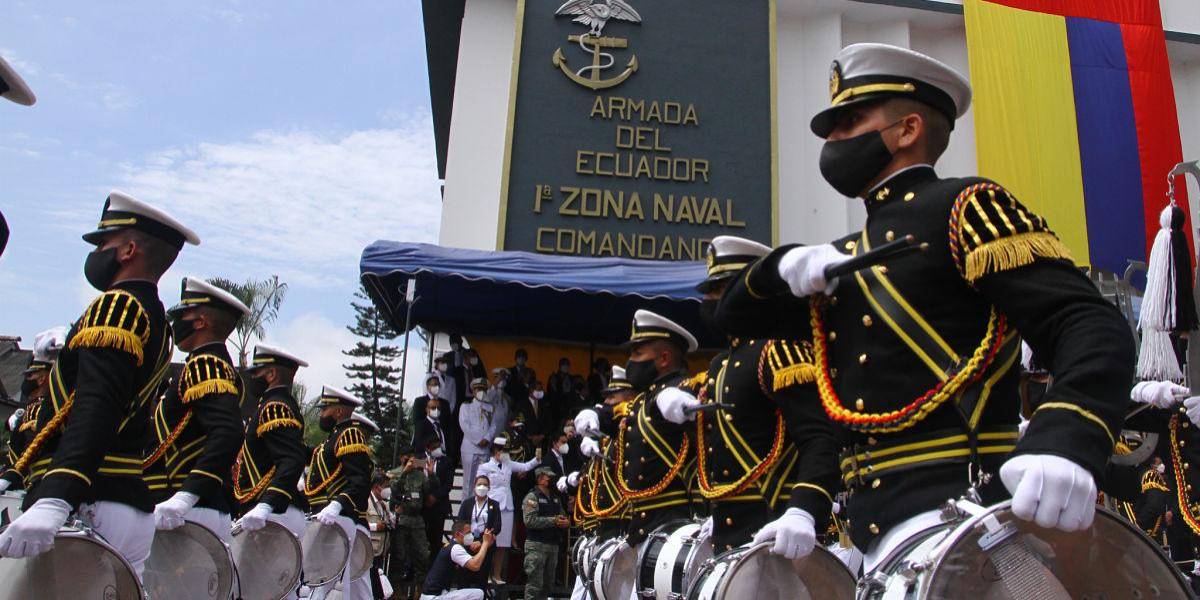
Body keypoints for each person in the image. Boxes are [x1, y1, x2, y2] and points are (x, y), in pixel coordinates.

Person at [715, 43, 1136, 573]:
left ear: (907, 130)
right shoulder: (844, 256)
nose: (832, 138)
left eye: (849, 120)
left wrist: (1069, 437)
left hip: (966, 525)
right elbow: (730, 320)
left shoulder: (967, 207)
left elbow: (1086, 322)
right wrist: (778, 268)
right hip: (869, 533)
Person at [0, 192, 196, 579]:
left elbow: (96, 402)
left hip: (90, 499)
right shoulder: (152, 314)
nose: (97, 252)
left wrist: (58, 492)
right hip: (120, 501)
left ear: (128, 250)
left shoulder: (117, 306)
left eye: (104, 243)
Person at [665, 236, 840, 555]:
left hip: (778, 529)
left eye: (723, 289)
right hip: (729, 530)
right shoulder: (720, 364)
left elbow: (819, 438)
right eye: (712, 292)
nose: (715, 299)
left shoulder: (779, 352)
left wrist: (805, 508)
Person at [574, 310, 701, 552]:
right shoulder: (643, 401)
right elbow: (613, 415)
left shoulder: (684, 390)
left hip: (677, 523)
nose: (631, 360)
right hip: (643, 525)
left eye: (638, 352)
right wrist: (593, 415)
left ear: (664, 358)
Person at [144, 277, 248, 544]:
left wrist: (186, 495)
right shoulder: (210, 364)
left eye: (182, 315)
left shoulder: (205, 365)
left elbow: (227, 431)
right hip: (189, 507)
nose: (176, 323)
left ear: (201, 321)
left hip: (189, 509)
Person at [233, 344, 311, 552]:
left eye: (256, 372)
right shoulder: (276, 404)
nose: (252, 377)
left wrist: (267, 504)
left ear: (271, 373)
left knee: (252, 583)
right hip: (272, 510)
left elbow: (292, 459)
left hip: (273, 513)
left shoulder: (274, 407)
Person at [566, 366, 634, 600]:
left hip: (629, 520)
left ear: (629, 396)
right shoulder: (609, 437)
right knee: (596, 583)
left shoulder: (632, 426)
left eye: (611, 396)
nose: (606, 401)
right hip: (606, 521)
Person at [305, 387, 377, 600]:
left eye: (325, 409)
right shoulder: (334, 437)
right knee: (354, 585)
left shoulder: (349, 434)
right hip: (330, 516)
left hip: (338, 516)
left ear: (338, 412)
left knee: (330, 582)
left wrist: (337, 505)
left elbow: (359, 480)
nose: (321, 414)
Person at [2, 326, 67, 489]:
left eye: (31, 374)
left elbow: (36, 445)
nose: (29, 379)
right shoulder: (33, 409)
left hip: (50, 483)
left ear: (43, 376)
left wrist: (14, 474)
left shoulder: (49, 408)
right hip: (33, 481)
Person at [476, 436, 540, 583]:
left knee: (503, 544)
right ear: (495, 452)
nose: (504, 454)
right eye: (501, 451)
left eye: (505, 451)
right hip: (492, 506)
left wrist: (536, 459)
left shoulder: (508, 464)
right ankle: (486, 574)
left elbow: (524, 467)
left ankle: (496, 575)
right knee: (490, 541)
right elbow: (480, 485)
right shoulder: (484, 467)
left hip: (507, 506)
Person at [391, 445, 440, 600]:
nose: (410, 460)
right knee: (399, 555)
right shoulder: (396, 473)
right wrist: (404, 472)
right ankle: (398, 590)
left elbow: (432, 489)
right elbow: (393, 489)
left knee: (423, 554)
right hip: (402, 520)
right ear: (402, 458)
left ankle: (419, 588)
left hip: (417, 520)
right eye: (407, 457)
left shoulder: (420, 475)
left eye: (412, 457)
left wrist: (431, 474)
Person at [522, 467, 569, 600]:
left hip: (552, 545)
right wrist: (553, 521)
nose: (551, 479)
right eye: (549, 477)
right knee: (535, 585)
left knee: (548, 585)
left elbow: (562, 516)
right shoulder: (532, 497)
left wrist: (565, 522)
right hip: (536, 546)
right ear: (540, 479)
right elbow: (529, 521)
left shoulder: (555, 498)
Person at [419, 520, 494, 600]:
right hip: (434, 597)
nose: (471, 536)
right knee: (478, 594)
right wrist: (485, 543)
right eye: (468, 533)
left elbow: (474, 560)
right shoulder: (455, 548)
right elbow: (475, 565)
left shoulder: (451, 545)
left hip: (438, 593)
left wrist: (486, 545)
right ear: (458, 534)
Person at [455, 474, 502, 591]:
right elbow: (459, 523)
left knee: (481, 581)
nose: (482, 487)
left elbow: (497, 526)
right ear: (474, 487)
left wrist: (481, 542)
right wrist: (469, 541)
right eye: (479, 484)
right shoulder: (467, 503)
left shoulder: (494, 505)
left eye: (485, 485)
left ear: (489, 487)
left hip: (485, 543)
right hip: (467, 542)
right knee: (463, 579)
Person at [459, 378, 501, 508]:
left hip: (484, 449)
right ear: (473, 391)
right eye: (478, 389)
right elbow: (465, 425)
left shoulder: (490, 408)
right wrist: (479, 440)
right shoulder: (466, 406)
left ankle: (480, 511)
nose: (480, 392)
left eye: (483, 389)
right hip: (470, 448)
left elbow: (494, 425)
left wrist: (487, 438)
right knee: (468, 483)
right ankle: (465, 514)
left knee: (482, 482)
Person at [420, 431, 455, 564]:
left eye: (438, 446)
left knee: (436, 539)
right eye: (434, 447)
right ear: (427, 448)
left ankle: (433, 565)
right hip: (423, 506)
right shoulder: (420, 460)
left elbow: (448, 485)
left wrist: (435, 496)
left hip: (439, 505)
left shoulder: (446, 461)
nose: (437, 449)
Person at [414, 394, 449, 460]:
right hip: (428, 461)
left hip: (444, 461)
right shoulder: (421, 425)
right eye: (433, 408)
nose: (436, 410)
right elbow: (418, 445)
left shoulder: (444, 425)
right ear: (427, 410)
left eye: (438, 408)